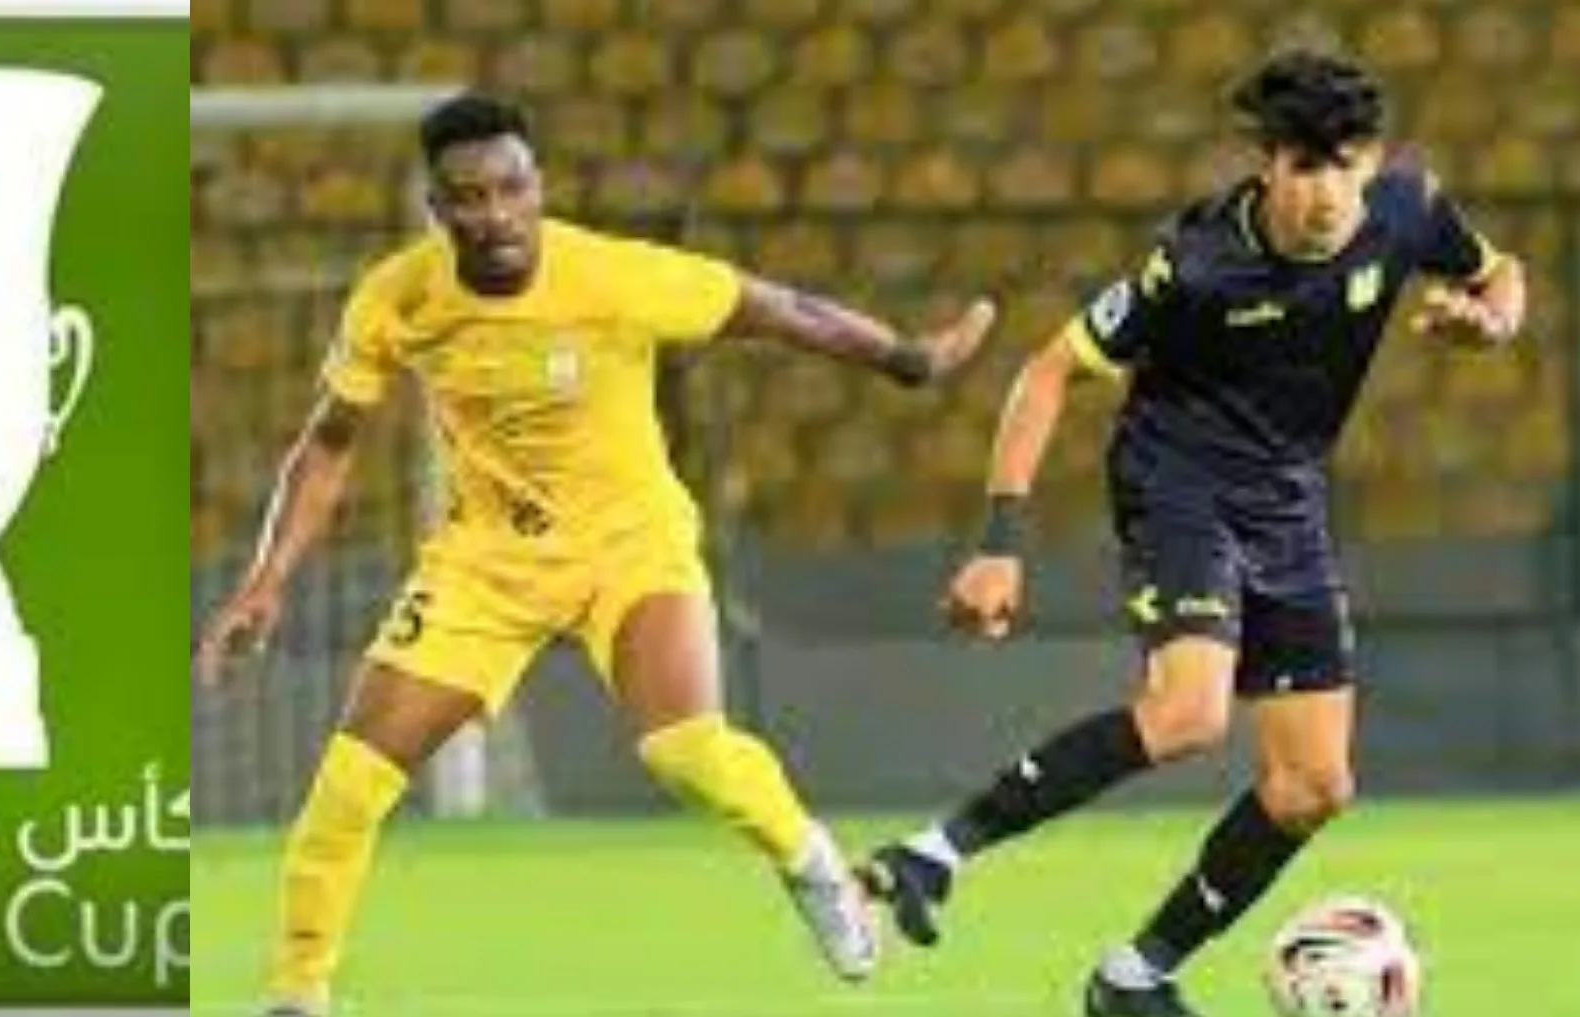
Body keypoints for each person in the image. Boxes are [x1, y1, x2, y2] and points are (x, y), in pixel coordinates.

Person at [193, 92, 997, 1017]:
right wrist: (265, 579)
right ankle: (297, 994)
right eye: (469, 197)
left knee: (685, 751)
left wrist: (906, 359)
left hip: (631, 546)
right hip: (484, 565)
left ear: (539, 186)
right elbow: (329, 442)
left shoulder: (614, 276)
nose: (496, 214)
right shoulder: (397, 296)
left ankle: (816, 866)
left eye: (511, 188)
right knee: (347, 789)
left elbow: (777, 309)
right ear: (436, 209)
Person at [857, 49, 1525, 1017]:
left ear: (1372, 159)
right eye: (1302, 165)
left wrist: (1492, 324)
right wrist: (998, 539)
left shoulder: (1407, 210)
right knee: (1188, 712)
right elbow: (1046, 371)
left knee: (1311, 785)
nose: (1324, 192)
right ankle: (933, 853)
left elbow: (1501, 274)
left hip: (1287, 502)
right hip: (1177, 483)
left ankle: (1133, 978)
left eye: (1342, 164)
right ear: (1266, 164)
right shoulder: (1195, 262)